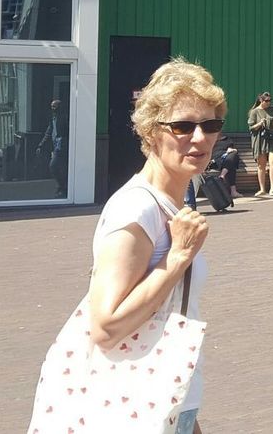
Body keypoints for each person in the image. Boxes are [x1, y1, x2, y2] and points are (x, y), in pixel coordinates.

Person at [85, 59, 220, 434]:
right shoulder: (136, 209)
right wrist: (178, 258)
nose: (200, 138)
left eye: (210, 125)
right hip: (134, 403)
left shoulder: (169, 202)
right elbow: (106, 327)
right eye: (182, 126)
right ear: (151, 131)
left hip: (168, 396)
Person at [246, 92, 273, 197]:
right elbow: (251, 127)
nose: (269, 102)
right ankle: (262, 189)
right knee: (261, 165)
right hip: (260, 139)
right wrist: (260, 123)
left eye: (270, 100)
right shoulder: (254, 112)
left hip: (272, 138)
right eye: (266, 101)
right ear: (261, 100)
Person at [39, 99, 67, 198]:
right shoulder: (53, 119)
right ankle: (62, 187)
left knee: (54, 166)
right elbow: (48, 132)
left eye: (54, 106)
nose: (52, 108)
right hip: (56, 146)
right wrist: (41, 145)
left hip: (62, 146)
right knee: (58, 167)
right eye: (51, 106)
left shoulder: (65, 118)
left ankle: (63, 187)